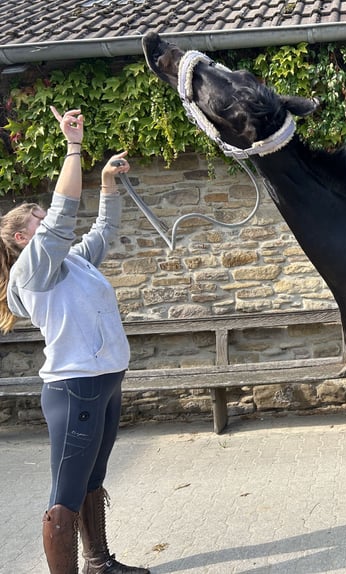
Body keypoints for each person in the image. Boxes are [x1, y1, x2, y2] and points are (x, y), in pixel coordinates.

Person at [0, 107, 150, 574]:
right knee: (64, 496)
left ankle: (99, 563)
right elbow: (63, 215)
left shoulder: (74, 262)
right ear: (26, 238)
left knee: (92, 478)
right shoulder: (33, 270)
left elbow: (100, 233)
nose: (53, 228)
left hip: (105, 379)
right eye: (42, 225)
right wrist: (74, 147)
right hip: (75, 386)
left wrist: (106, 185)